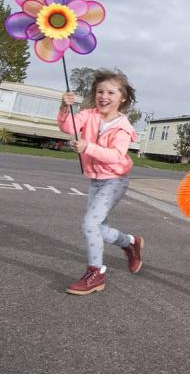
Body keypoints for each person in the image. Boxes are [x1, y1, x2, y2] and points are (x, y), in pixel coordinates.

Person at [59, 69, 143, 295]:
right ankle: (130, 243)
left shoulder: (123, 127)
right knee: (98, 228)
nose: (103, 96)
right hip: (96, 180)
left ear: (122, 98)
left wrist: (88, 147)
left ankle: (96, 272)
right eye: (99, 91)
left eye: (110, 92)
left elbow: (117, 155)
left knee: (89, 225)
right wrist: (65, 107)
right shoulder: (89, 114)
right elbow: (69, 127)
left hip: (115, 180)